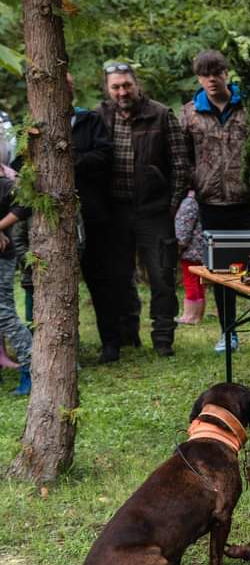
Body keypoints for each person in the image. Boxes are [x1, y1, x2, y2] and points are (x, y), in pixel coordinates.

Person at [181, 50, 250, 355]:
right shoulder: (189, 113)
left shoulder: (249, 108)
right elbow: (183, 156)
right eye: (205, 74)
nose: (212, 79)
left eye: (216, 72)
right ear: (198, 78)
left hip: (249, 200)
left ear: (226, 73)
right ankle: (227, 332)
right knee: (220, 271)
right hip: (211, 201)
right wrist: (194, 181)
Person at [99, 62, 190, 357]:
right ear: (107, 89)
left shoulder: (161, 114)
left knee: (162, 274)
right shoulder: (100, 116)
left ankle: (163, 338)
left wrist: (172, 206)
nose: (122, 91)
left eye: (126, 85)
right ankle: (128, 334)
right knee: (119, 275)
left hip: (154, 210)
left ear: (136, 84)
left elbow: (180, 164)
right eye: (116, 87)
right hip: (116, 210)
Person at [67, 74, 118, 363]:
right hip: (55, 223)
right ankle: (66, 349)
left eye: (67, 88)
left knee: (101, 282)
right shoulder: (36, 126)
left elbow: (105, 155)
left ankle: (110, 343)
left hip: (93, 215)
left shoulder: (90, 120)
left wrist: (72, 160)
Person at [0, 174, 31, 394]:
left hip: (2, 257)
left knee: (4, 313)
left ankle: (31, 368)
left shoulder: (4, 183)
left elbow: (24, 204)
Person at [174, 190, 206, 325]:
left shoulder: (189, 202)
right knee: (199, 282)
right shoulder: (202, 199)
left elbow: (183, 228)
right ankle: (197, 315)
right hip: (202, 249)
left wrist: (178, 245)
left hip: (191, 250)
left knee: (190, 281)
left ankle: (190, 315)